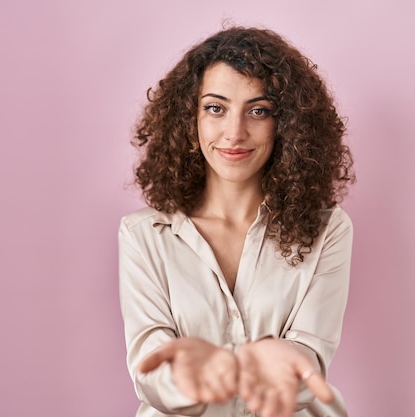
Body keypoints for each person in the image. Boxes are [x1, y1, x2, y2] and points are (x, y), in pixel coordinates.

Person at [118, 25, 355, 417]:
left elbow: (308, 361)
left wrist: (263, 362)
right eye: (216, 108)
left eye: (258, 111)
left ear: (287, 126)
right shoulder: (144, 235)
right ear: (189, 119)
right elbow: (151, 371)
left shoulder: (329, 229)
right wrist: (192, 376)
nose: (235, 132)